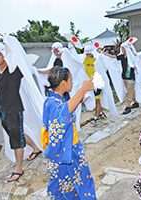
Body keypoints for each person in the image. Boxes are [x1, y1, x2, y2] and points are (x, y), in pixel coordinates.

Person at [0, 41, 42, 182]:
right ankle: (36, 148)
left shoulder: (16, 70)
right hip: (2, 109)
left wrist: (10, 41)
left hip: (15, 109)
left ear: (4, 54)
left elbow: (24, 62)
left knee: (16, 139)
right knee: (16, 134)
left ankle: (18, 168)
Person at [41, 66, 96, 199]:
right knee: (68, 185)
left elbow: (66, 110)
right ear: (63, 83)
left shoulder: (56, 99)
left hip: (68, 149)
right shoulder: (53, 103)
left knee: (74, 183)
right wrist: (83, 89)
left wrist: (78, 100)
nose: (72, 83)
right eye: (70, 80)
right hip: (63, 153)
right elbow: (62, 113)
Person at [103, 43, 141, 115]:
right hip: (124, 76)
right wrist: (105, 54)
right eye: (122, 49)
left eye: (123, 48)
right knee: (129, 90)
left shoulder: (131, 57)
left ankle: (128, 107)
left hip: (130, 77)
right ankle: (136, 102)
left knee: (129, 91)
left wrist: (135, 67)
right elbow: (114, 57)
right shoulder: (121, 56)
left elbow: (135, 63)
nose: (122, 50)